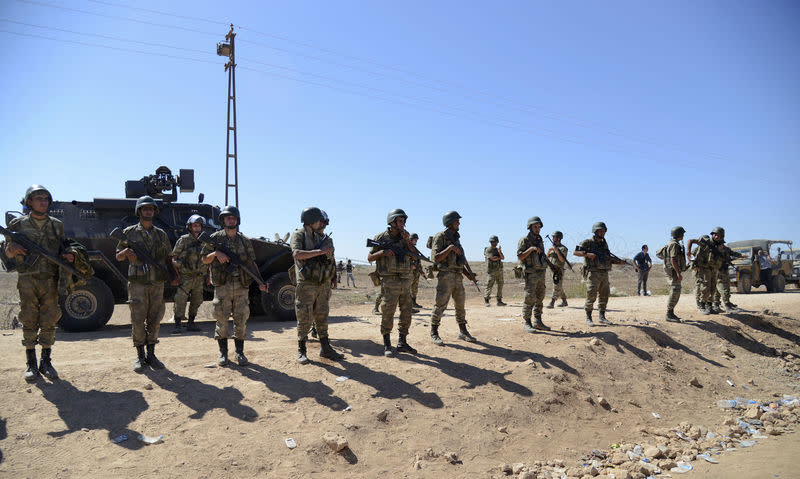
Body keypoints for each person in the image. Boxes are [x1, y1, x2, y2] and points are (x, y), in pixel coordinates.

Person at [4, 185, 76, 382]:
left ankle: (46, 361)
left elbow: (64, 246)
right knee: (28, 317)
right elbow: (6, 251)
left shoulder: (56, 225)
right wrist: (12, 248)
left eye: (45, 198)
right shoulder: (17, 225)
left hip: (50, 279)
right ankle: (31, 363)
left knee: (49, 318)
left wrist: (69, 255)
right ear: (29, 201)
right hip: (27, 278)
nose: (43, 202)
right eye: (38, 198)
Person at [201, 206, 267, 366]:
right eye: (227, 218)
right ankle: (223, 354)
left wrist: (260, 281)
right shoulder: (215, 238)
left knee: (241, 319)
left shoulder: (244, 241)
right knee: (221, 319)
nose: (231, 220)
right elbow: (204, 259)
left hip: (241, 285)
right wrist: (216, 254)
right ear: (222, 220)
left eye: (233, 218)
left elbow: (251, 263)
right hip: (222, 285)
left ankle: (239, 353)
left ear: (237, 220)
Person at [115, 195, 176, 372]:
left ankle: (151, 354)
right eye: (145, 208)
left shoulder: (161, 234)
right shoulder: (129, 232)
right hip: (138, 284)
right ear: (139, 211)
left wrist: (173, 275)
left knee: (155, 319)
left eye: (151, 208)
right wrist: (126, 252)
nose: (148, 211)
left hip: (157, 282)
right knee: (138, 320)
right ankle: (140, 356)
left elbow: (168, 257)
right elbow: (118, 256)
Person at [291, 207, 343, 364]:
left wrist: (333, 276)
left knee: (322, 315)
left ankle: (325, 348)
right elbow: (297, 254)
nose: (321, 223)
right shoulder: (299, 235)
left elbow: (331, 258)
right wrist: (320, 251)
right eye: (319, 220)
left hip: (323, 283)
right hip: (306, 283)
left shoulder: (323, 237)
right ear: (311, 220)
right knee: (304, 316)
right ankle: (302, 350)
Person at [368, 209, 417, 356]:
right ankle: (387, 344)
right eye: (400, 221)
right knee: (388, 312)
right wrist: (383, 252)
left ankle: (402, 342)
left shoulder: (405, 237)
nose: (403, 224)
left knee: (406, 311)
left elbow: (414, 254)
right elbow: (370, 257)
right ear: (392, 222)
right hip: (389, 281)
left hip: (406, 280)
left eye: (404, 221)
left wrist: (407, 240)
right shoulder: (381, 237)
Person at [429, 211, 477, 345]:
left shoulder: (456, 238)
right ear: (449, 222)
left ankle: (463, 331)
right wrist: (450, 248)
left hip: (457, 276)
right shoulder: (441, 237)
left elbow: (460, 261)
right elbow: (436, 258)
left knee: (460, 306)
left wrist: (469, 275)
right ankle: (434, 332)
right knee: (440, 305)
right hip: (445, 276)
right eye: (457, 221)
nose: (459, 223)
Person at [574, 222, 627, 326]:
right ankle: (588, 318)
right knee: (591, 294)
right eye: (600, 231)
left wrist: (619, 262)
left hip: (604, 273)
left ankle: (602, 317)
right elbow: (576, 252)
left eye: (603, 231)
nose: (602, 233)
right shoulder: (588, 242)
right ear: (595, 231)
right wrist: (588, 254)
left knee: (604, 295)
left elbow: (607, 258)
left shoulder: (604, 244)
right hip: (593, 272)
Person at [170, 214, 206, 334]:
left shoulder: (204, 240)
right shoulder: (183, 240)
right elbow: (174, 258)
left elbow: (208, 259)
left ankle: (191, 322)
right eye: (194, 225)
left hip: (199, 277)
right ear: (190, 227)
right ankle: (177, 324)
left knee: (197, 300)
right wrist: (177, 275)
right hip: (185, 277)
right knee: (180, 300)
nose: (197, 227)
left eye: (199, 225)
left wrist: (209, 276)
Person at [517, 217, 550, 332]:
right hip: (531, 273)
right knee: (529, 297)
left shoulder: (539, 239)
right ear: (530, 227)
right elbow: (520, 256)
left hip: (541, 272)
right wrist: (530, 249)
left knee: (540, 297)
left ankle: (538, 321)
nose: (538, 229)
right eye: (535, 227)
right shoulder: (525, 240)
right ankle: (527, 322)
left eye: (539, 227)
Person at [688, 230, 724, 314]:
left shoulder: (718, 244)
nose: (717, 237)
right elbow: (691, 241)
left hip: (713, 268)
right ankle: (702, 305)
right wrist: (688, 252)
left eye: (719, 235)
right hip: (703, 268)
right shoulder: (706, 241)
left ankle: (709, 306)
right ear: (712, 235)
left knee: (713, 288)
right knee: (704, 287)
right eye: (715, 235)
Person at [712, 227, 743, 312]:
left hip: (724, 269)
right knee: (723, 287)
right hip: (718, 270)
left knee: (719, 288)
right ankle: (727, 305)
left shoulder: (725, 249)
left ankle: (716, 305)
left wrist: (741, 256)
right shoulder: (713, 247)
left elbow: (732, 253)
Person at [663, 227, 688, 322]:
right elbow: (673, 259)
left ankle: (671, 313)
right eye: (682, 234)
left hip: (672, 271)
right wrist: (678, 273)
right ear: (679, 234)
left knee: (676, 290)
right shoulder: (674, 245)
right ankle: (669, 314)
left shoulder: (673, 243)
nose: (683, 235)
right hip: (673, 272)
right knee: (675, 290)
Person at [546, 230, 569, 309]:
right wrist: (549, 251)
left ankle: (552, 302)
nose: (552, 238)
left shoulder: (563, 249)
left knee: (556, 286)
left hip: (558, 270)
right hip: (552, 270)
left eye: (554, 237)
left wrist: (557, 251)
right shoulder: (551, 248)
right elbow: (547, 258)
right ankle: (564, 301)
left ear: (559, 238)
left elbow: (562, 260)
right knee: (559, 286)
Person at [484, 235, 506, 307]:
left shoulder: (497, 250)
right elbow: (492, 258)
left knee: (500, 285)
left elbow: (502, 258)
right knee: (489, 285)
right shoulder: (488, 249)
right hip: (492, 270)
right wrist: (499, 257)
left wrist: (499, 252)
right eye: (493, 242)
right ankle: (486, 300)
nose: (494, 243)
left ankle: (499, 301)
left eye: (495, 242)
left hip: (499, 270)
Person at [409, 233, 424, 309]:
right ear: (411, 240)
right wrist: (410, 266)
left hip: (416, 272)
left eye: (416, 240)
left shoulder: (415, 250)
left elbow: (418, 262)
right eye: (415, 240)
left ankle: (413, 303)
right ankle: (408, 304)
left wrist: (421, 272)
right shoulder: (407, 249)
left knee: (415, 289)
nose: (416, 241)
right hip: (409, 272)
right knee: (408, 289)